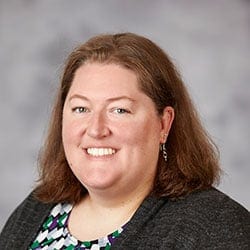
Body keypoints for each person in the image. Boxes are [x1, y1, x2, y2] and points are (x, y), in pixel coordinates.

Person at [0, 32, 249, 250]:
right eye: (80, 109)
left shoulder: (215, 227)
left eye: (119, 110)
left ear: (164, 124)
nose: (96, 130)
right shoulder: (36, 209)